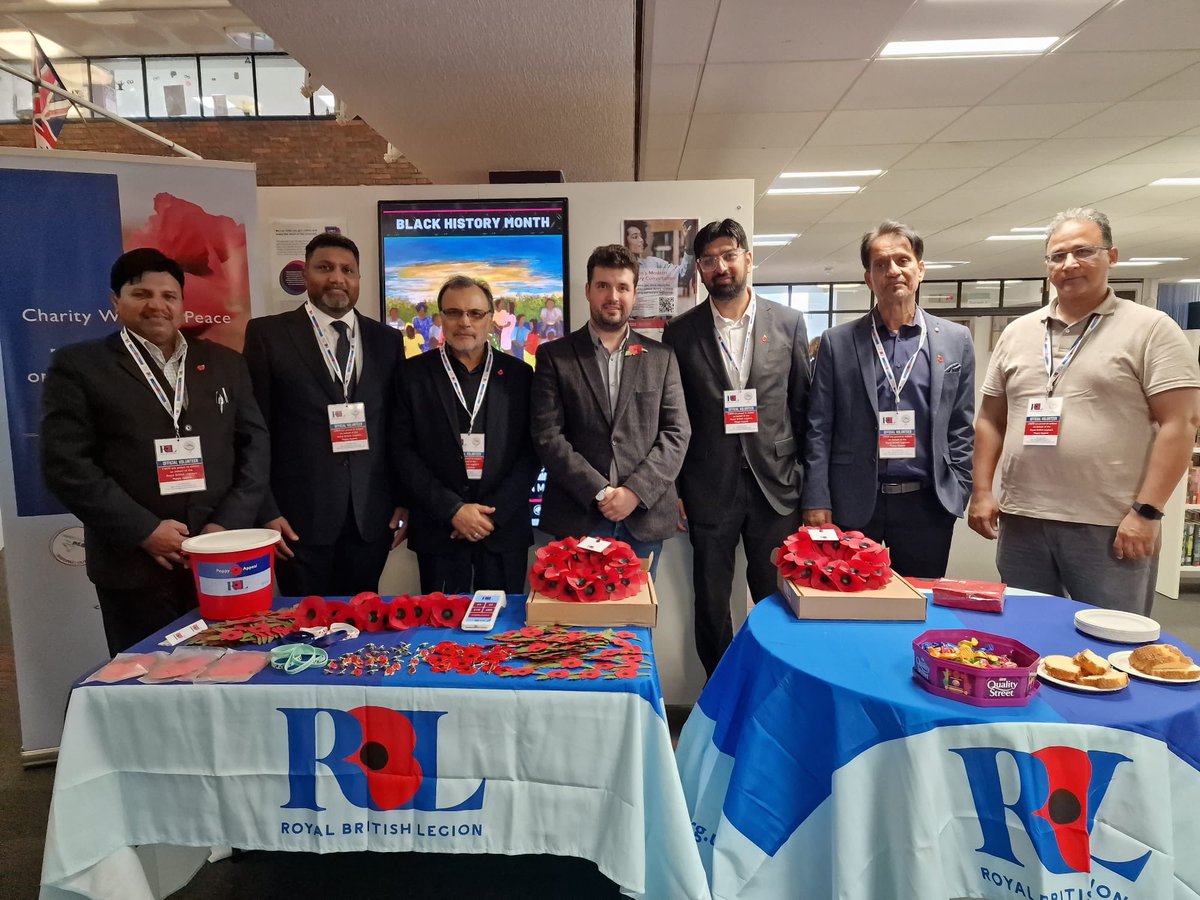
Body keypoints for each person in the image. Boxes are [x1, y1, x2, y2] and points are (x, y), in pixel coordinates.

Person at [969, 207, 1200, 614]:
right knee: (1028, 636)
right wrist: (983, 491)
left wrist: (1147, 512)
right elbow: (990, 418)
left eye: (1083, 251)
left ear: (1111, 256)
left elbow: (1180, 423)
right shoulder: (1018, 333)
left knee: (1112, 644)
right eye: (1057, 256)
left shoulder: (1152, 329)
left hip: (1110, 524)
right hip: (1023, 518)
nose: (1069, 264)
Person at [40, 248, 270, 654]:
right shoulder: (80, 366)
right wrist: (144, 531)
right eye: (141, 293)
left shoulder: (225, 363)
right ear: (116, 301)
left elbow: (254, 446)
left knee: (236, 670)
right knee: (148, 682)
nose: (156, 306)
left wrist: (225, 527)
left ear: (182, 304)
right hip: (134, 566)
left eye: (169, 296)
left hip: (221, 561)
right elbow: (66, 465)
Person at [662, 218, 810, 677]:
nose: (720, 266)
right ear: (699, 270)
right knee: (709, 597)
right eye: (709, 260)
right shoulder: (680, 333)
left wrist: (808, 482)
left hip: (776, 485)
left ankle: (772, 683)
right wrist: (677, 489)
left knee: (774, 596)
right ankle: (720, 688)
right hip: (708, 487)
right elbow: (676, 419)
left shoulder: (788, 323)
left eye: (729, 255)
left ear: (748, 258)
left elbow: (803, 407)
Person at [802, 221, 975, 578]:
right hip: (853, 501)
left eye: (902, 260)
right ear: (869, 278)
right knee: (849, 603)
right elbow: (819, 426)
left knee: (919, 601)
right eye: (881, 264)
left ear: (920, 269)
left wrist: (958, 488)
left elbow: (961, 424)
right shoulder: (839, 342)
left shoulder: (956, 340)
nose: (892, 271)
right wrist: (817, 498)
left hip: (927, 502)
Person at [243, 233, 407, 598]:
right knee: (305, 628)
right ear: (305, 275)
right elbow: (254, 430)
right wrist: (265, 510)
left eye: (348, 270)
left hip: (369, 518)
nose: (337, 278)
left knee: (361, 627)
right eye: (325, 268)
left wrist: (402, 498)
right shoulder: (268, 335)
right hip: (297, 519)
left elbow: (397, 428)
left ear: (359, 280)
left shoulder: (386, 340)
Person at [531, 244, 690, 577]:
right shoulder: (555, 357)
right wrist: (600, 491)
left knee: (635, 621)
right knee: (579, 626)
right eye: (603, 285)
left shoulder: (662, 357)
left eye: (622, 287)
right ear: (588, 291)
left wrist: (635, 492)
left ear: (634, 293)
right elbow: (547, 436)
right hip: (579, 516)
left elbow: (677, 433)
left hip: (643, 519)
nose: (612, 296)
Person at [396, 276, 540, 593]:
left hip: (502, 530)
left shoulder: (520, 376)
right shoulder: (412, 375)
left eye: (475, 313)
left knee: (503, 632)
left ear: (490, 319)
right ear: (441, 318)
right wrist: (453, 510)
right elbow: (403, 453)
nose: (464, 322)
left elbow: (531, 452)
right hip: (440, 529)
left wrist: (492, 515)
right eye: (453, 312)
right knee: (440, 629)